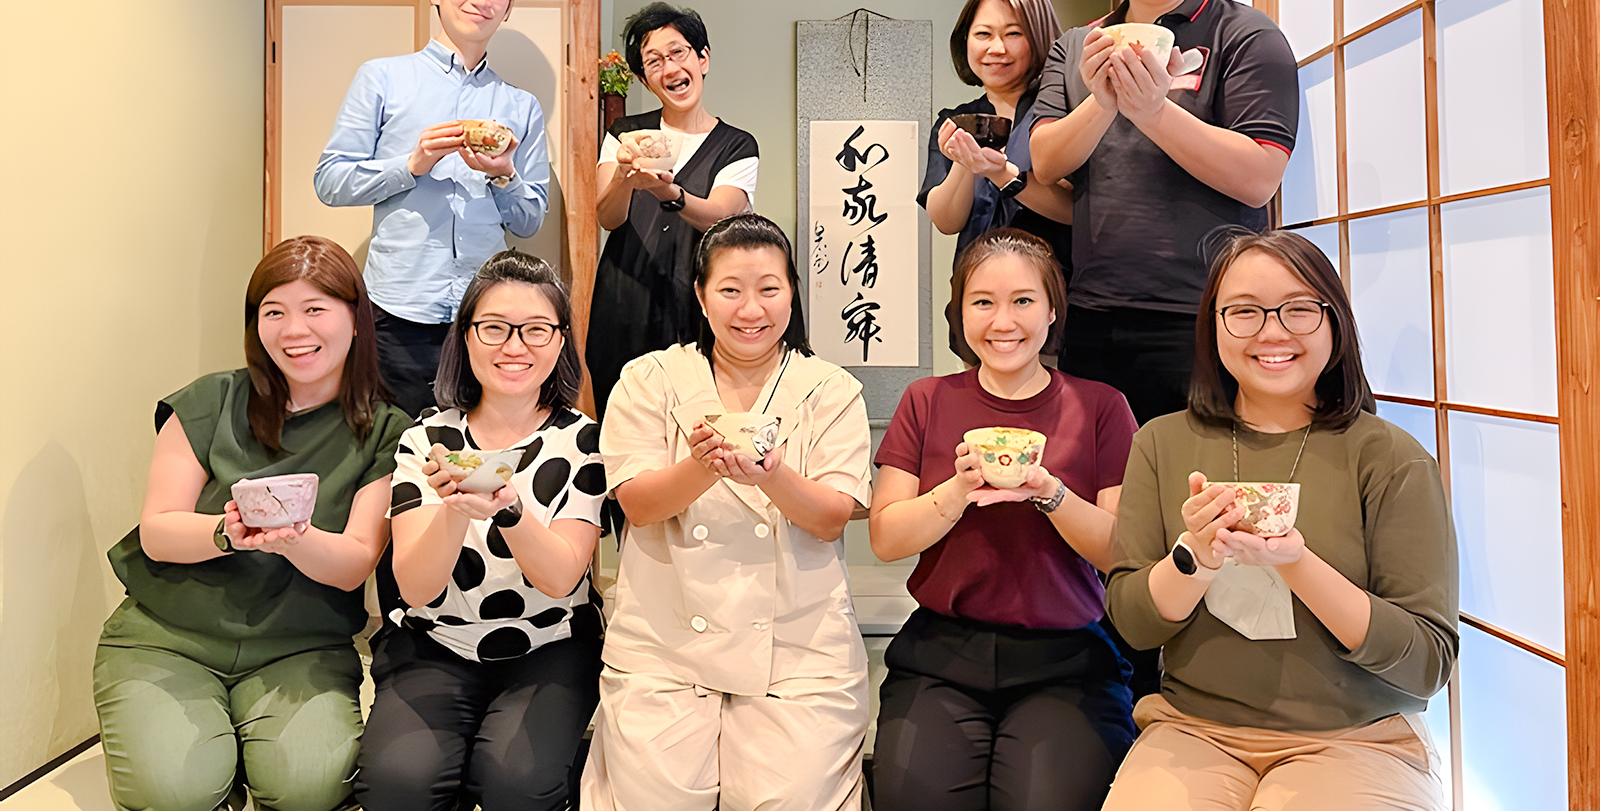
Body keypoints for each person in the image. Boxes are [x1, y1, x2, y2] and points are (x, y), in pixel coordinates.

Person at [1101, 230, 1457, 811]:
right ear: (1212, 324)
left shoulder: (1391, 456)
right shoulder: (1161, 443)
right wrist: (1196, 556)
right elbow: (1135, 625)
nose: (1272, 331)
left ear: (1334, 322)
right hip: (1194, 730)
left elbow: (1426, 661)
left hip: (1359, 739)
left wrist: (1295, 561)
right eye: (1244, 312)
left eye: (1299, 309)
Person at [93, 236, 410, 811]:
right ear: (255, 323)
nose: (294, 330)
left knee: (309, 791)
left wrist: (294, 537)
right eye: (274, 312)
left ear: (356, 318)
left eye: (315, 309)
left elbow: (354, 564)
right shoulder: (211, 401)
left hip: (299, 648)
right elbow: (158, 531)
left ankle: (244, 745)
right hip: (169, 640)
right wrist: (228, 532)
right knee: (176, 795)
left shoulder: (387, 430)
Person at [582, 214, 871, 811]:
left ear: (793, 290)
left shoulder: (829, 388)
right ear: (701, 295)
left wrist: (775, 474)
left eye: (769, 289)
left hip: (799, 648)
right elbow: (636, 505)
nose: (751, 309)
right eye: (731, 290)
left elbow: (831, 518)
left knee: (791, 801)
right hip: (664, 643)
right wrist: (702, 465)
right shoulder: (649, 379)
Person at [1025, 0, 1299, 426]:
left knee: (1204, 496)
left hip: (1211, 315)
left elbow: (1258, 179)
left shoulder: (1245, 35)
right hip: (1094, 312)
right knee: (1109, 500)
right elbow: (1045, 161)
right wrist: (1102, 101)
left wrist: (1152, 112)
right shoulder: (1076, 45)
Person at [868, 229, 1137, 811]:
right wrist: (959, 490)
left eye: (1023, 301)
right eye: (982, 301)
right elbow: (886, 537)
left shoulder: (1101, 406)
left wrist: (1050, 492)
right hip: (941, 655)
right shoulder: (927, 399)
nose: (1002, 320)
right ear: (959, 311)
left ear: (1051, 310)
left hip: (1066, 659)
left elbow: (1122, 552)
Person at [356, 251, 605, 811]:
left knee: (515, 786)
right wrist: (455, 508)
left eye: (536, 330)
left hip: (550, 645)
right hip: (435, 641)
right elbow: (416, 589)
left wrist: (510, 510)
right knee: (399, 786)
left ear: (561, 340)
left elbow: (563, 577)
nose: (513, 347)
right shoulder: (425, 440)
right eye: (493, 328)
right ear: (466, 338)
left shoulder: (585, 441)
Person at [315, 0, 551, 418]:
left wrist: (505, 174)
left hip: (485, 314)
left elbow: (529, 222)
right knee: (393, 450)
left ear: (508, 7)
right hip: (397, 305)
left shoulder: (520, 106)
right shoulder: (382, 77)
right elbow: (330, 181)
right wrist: (412, 164)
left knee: (476, 452)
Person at [587, 2, 758, 417]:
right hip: (624, 298)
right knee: (622, 422)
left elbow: (722, 214)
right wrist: (626, 176)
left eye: (678, 53)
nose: (669, 68)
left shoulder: (737, 145)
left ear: (702, 59)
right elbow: (608, 217)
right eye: (654, 61)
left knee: (697, 424)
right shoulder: (625, 134)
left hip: (696, 306)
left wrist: (670, 194)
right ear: (646, 79)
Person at [920, 0, 1075, 275]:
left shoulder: (1063, 111)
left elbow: (1078, 211)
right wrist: (966, 159)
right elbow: (946, 221)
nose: (996, 48)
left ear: (1039, 37)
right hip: (978, 290)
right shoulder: (955, 120)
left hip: (1053, 294)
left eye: (1013, 33)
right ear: (965, 40)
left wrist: (1000, 173)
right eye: (983, 34)